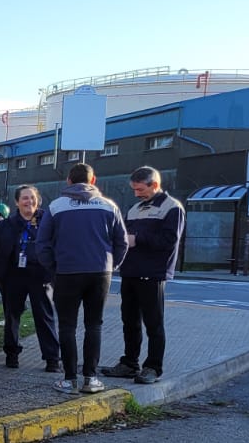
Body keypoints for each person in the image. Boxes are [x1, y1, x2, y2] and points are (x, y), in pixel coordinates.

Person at [36, 162, 129, 395]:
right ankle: (91, 378)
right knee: (94, 324)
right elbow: (122, 242)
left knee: (67, 326)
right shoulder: (109, 206)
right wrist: (112, 264)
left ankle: (69, 379)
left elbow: (42, 243)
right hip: (100, 273)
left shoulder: (57, 206)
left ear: (68, 181)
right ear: (93, 180)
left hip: (66, 272)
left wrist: (53, 267)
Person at [102, 166, 184, 386]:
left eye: (140, 189)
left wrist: (138, 239)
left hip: (152, 273)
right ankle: (129, 363)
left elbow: (169, 241)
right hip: (130, 271)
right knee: (129, 321)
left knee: (153, 323)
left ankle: (153, 367)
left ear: (154, 185)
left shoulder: (171, 208)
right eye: (134, 190)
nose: (137, 194)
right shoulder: (135, 208)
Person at [0, 185, 59, 371]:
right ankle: (12, 354)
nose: (29, 202)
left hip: (40, 274)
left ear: (38, 200)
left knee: (44, 316)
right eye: (25, 198)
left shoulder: (48, 222)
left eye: (32, 197)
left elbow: (57, 246)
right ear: (17, 202)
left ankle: (51, 358)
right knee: (12, 315)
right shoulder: (6, 225)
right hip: (13, 275)